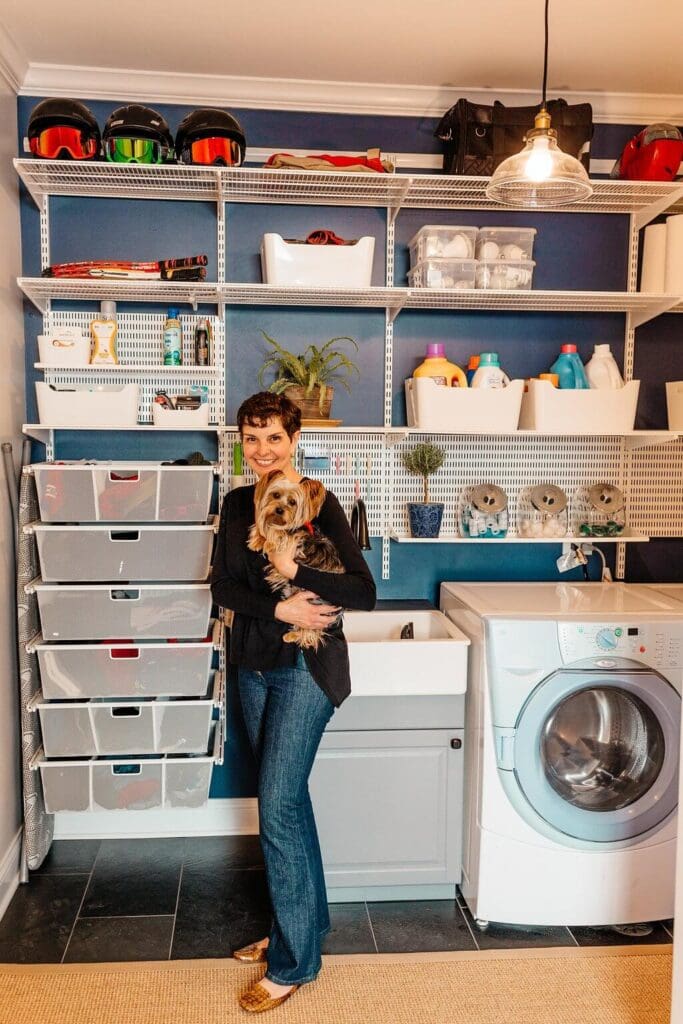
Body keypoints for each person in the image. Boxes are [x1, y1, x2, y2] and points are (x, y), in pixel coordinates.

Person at [211, 391, 376, 1013]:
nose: (261, 451)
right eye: (250, 439)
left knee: (277, 806)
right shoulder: (233, 505)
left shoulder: (319, 502)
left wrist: (296, 572)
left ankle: (293, 964)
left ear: (293, 439)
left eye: (272, 438)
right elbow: (221, 586)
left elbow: (363, 592)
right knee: (289, 804)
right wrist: (278, 604)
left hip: (306, 669)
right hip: (253, 668)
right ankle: (297, 928)